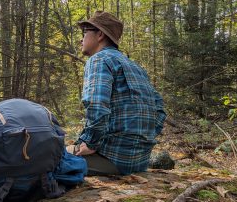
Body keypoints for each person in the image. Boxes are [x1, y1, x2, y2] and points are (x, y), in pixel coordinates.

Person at [68, 10, 166, 176]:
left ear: (100, 34)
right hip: (140, 162)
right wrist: (141, 144)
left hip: (111, 161)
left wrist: (89, 143)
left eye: (85, 32)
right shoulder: (136, 67)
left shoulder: (99, 60)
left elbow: (96, 105)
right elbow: (160, 112)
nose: (81, 39)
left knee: (45, 157)